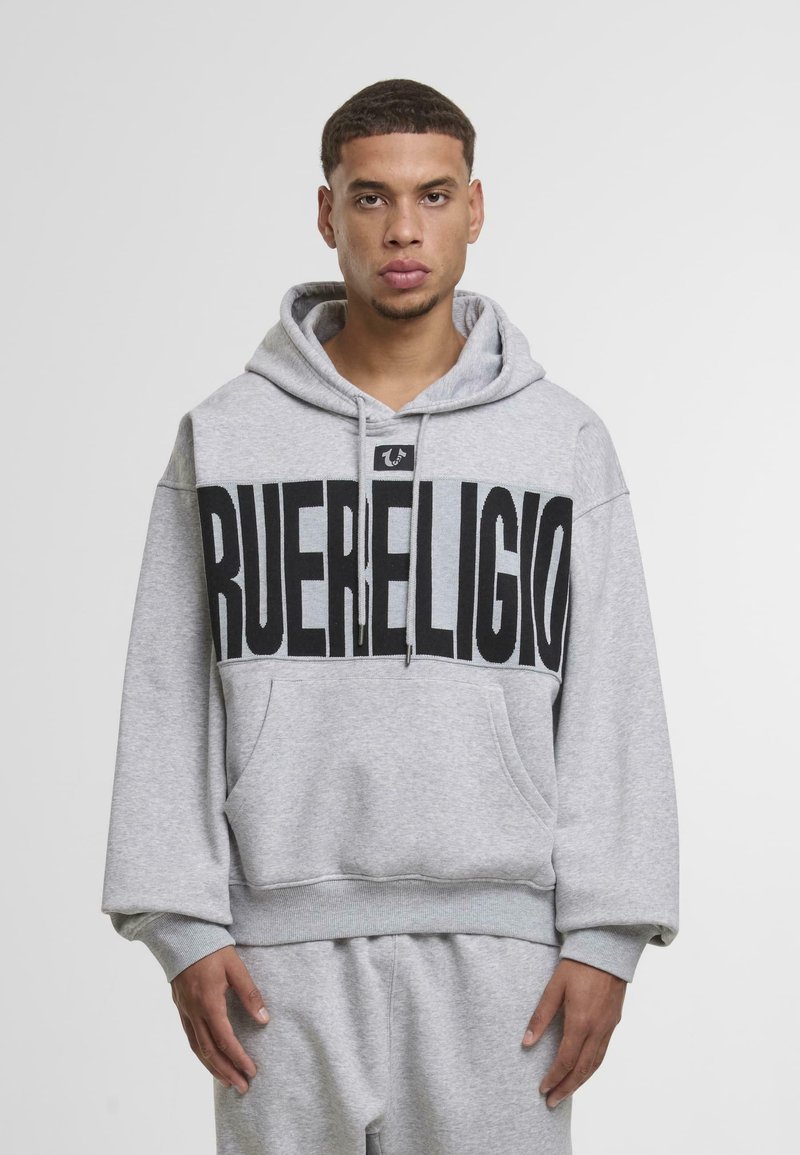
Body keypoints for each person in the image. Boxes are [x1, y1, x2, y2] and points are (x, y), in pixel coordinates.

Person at [101, 77, 679, 1155]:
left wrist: (607, 932)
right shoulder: (225, 437)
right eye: (370, 197)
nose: (402, 229)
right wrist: (181, 924)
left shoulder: (560, 441)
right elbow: (167, 688)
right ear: (327, 214)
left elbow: (614, 688)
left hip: (506, 964)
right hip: (273, 966)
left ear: (474, 208)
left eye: (432, 195)